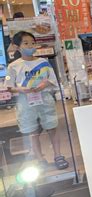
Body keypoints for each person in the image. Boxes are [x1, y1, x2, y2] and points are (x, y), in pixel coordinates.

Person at [4, 31, 69, 170]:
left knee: (52, 127)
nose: (30, 46)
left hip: (44, 99)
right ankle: (40, 159)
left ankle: (58, 155)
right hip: (25, 102)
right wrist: (22, 89)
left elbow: (52, 80)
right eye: (26, 43)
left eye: (32, 43)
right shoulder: (13, 66)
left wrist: (44, 84)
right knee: (32, 132)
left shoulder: (43, 62)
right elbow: (9, 87)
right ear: (17, 47)